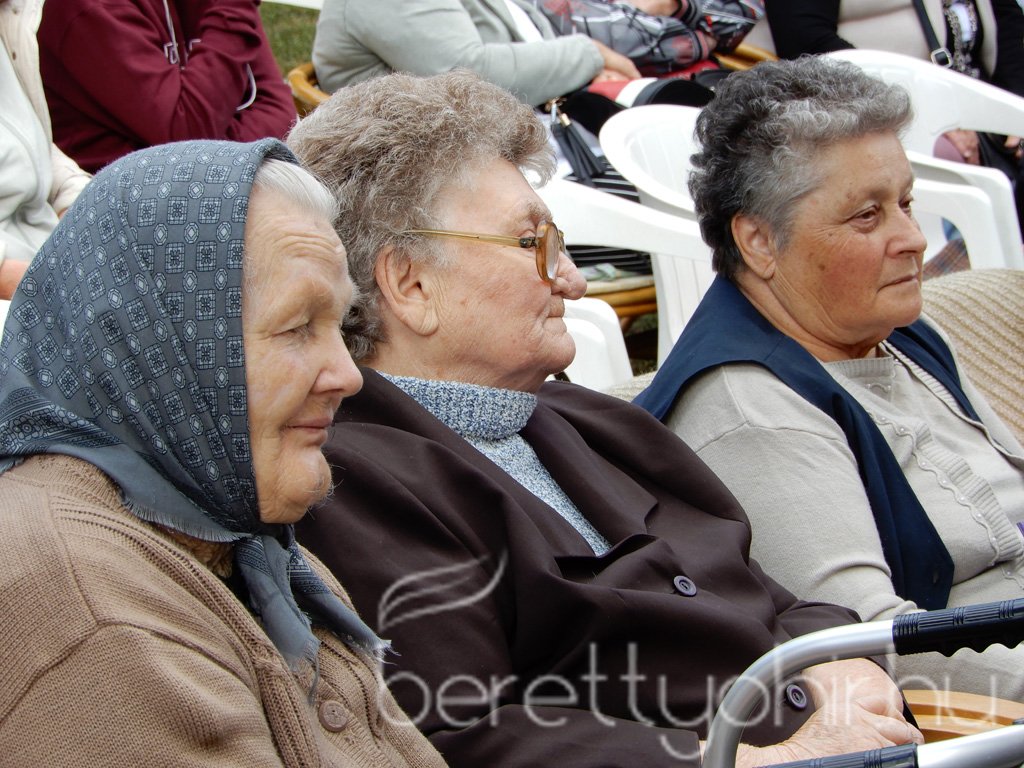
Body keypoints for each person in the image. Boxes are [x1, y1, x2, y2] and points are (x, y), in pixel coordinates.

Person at [287, 70, 922, 768]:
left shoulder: (591, 422)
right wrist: (740, 762)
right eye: (534, 243)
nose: (574, 279)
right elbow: (465, 733)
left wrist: (843, 665)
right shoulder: (349, 478)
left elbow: (776, 600)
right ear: (409, 284)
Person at [0, 137, 447, 767]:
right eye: (297, 328)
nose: (347, 375)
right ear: (156, 349)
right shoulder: (87, 613)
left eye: (339, 326)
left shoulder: (240, 543)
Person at [635, 56, 1024, 703]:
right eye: (867, 216)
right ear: (758, 242)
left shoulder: (897, 330)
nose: (914, 239)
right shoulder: (751, 406)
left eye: (905, 202)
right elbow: (867, 646)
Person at [745, 0, 1024, 223]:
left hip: (980, 101)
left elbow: (1007, 17)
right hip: (871, 112)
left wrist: (1012, 112)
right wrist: (928, 112)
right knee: (953, 171)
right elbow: (805, 41)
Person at [36, 0, 297, 174]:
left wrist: (210, 146)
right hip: (124, 217)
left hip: (210, 185)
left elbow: (282, 116)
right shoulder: (89, 7)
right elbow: (189, 132)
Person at [0, 0, 90, 299]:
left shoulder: (13, 18)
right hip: (22, 286)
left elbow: (33, 145)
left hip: (47, 251)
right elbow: (174, 123)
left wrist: (82, 205)